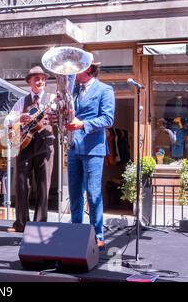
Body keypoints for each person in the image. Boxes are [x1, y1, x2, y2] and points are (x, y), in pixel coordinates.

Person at [65, 61, 115, 250]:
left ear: (88, 69)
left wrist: (83, 124)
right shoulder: (74, 90)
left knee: (93, 194)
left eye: (77, 68)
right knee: (74, 193)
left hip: (94, 149)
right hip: (73, 147)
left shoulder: (105, 89)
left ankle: (97, 235)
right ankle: (75, 232)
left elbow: (108, 118)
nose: (73, 72)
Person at [4, 66, 56, 232]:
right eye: (36, 79)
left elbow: (59, 117)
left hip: (45, 144)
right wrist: (20, 117)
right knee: (21, 184)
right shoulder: (22, 101)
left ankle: (39, 224)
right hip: (24, 145)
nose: (40, 81)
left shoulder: (52, 99)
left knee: (43, 184)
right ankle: (21, 223)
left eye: (42, 78)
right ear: (29, 82)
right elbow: (7, 121)